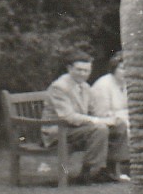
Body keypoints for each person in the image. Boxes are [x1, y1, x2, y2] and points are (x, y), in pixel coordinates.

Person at [43, 49, 130, 184]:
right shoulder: (59, 87)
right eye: (79, 70)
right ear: (69, 68)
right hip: (58, 130)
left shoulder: (85, 86)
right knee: (99, 129)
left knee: (119, 125)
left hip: (78, 129)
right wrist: (97, 121)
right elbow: (68, 117)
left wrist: (110, 119)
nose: (83, 74)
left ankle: (108, 170)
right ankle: (87, 172)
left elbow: (92, 111)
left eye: (86, 70)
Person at [91, 50, 131, 180]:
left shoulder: (127, 85)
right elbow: (101, 113)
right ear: (114, 68)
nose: (126, 72)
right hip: (102, 123)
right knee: (125, 125)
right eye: (122, 68)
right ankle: (118, 167)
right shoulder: (103, 85)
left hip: (120, 120)